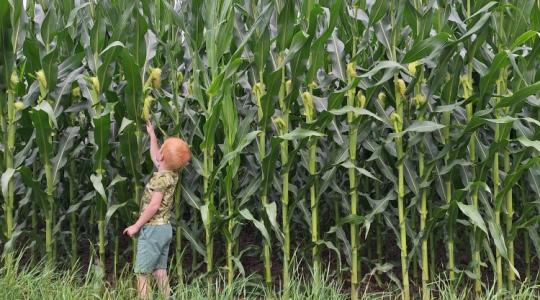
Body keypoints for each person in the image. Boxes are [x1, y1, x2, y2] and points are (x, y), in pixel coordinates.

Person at [123, 121, 191, 299]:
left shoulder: (160, 180)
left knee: (142, 273)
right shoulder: (172, 175)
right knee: (160, 271)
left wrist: (137, 226)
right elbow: (156, 157)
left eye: (161, 148)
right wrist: (152, 136)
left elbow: (154, 205)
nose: (158, 151)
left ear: (162, 157)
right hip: (165, 229)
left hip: (152, 230)